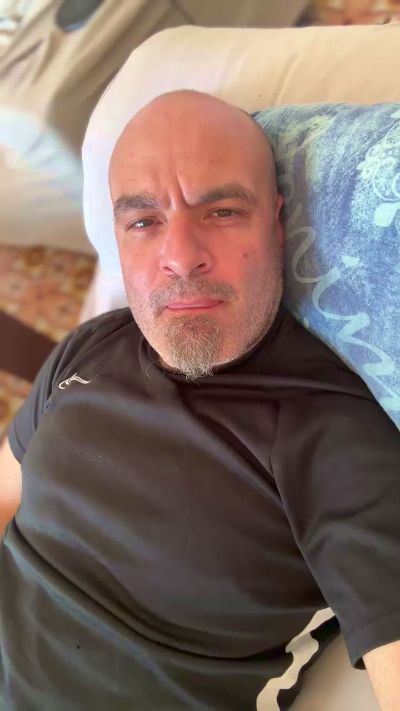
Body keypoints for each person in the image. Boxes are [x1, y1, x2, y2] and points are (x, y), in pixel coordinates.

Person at [0, 90, 399, 711]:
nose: (181, 258)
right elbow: (6, 492)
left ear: (276, 221)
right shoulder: (90, 346)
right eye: (143, 221)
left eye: (222, 211)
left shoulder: (329, 434)